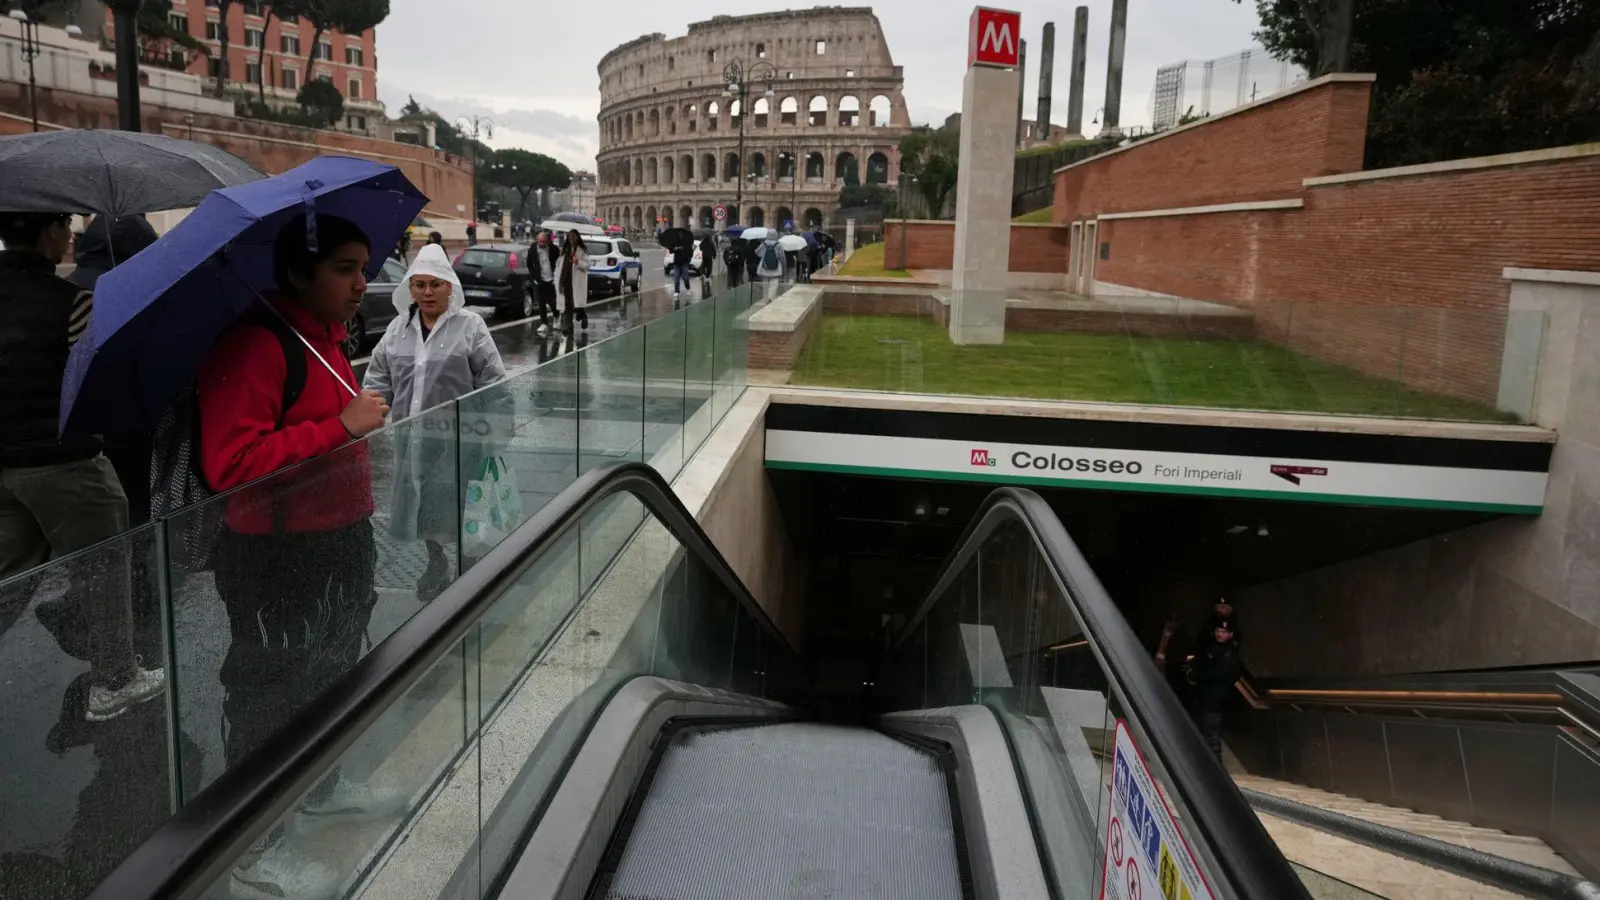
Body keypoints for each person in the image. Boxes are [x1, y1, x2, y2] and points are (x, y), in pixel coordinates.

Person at [195, 213, 400, 898]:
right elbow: (231, 464)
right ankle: (253, 846)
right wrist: (339, 425)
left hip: (340, 540)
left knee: (330, 676)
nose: (360, 282)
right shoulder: (256, 347)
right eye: (344, 268)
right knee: (269, 696)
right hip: (273, 556)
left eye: (363, 267)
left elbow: (327, 432)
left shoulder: (326, 342)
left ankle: (320, 790)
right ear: (296, 274)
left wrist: (346, 422)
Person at [0, 211, 166, 723]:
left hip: (5, 464)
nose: (70, 236)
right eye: (65, 226)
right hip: (66, 462)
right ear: (48, 231)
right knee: (103, 566)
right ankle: (115, 679)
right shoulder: (70, 301)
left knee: (8, 575)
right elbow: (91, 380)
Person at [363, 243, 508, 601]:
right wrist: (375, 411)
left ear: (449, 287)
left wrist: (496, 432)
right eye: (419, 284)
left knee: (464, 499)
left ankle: (472, 563)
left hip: (463, 437)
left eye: (435, 284)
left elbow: (494, 380)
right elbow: (377, 377)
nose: (427, 292)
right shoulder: (397, 331)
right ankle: (437, 560)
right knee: (424, 501)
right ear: (410, 288)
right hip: (413, 438)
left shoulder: (470, 327)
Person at [1184, 618, 1242, 761]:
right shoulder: (1208, 648)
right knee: (1198, 732)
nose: (1219, 634)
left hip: (1215, 700)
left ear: (1230, 634)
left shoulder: (1230, 654)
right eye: (1218, 631)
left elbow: (1227, 675)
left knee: (1212, 737)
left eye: (1223, 632)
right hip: (1203, 696)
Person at [526, 229, 560, 334]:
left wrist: (557, 276)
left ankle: (556, 315)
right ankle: (544, 324)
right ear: (537, 240)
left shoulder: (554, 249)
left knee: (551, 301)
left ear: (547, 241)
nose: (541, 244)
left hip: (551, 278)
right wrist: (534, 276)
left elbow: (559, 261)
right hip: (539, 279)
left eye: (543, 242)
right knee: (541, 302)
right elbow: (529, 263)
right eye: (539, 241)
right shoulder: (532, 249)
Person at [558, 228, 590, 334]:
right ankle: (568, 326)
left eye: (573, 237)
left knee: (576, 304)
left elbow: (587, 266)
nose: (571, 239)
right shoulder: (565, 250)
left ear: (577, 238)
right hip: (566, 280)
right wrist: (560, 282)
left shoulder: (582, 250)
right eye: (569, 237)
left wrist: (578, 262)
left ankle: (583, 316)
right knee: (568, 305)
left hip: (577, 282)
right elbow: (561, 266)